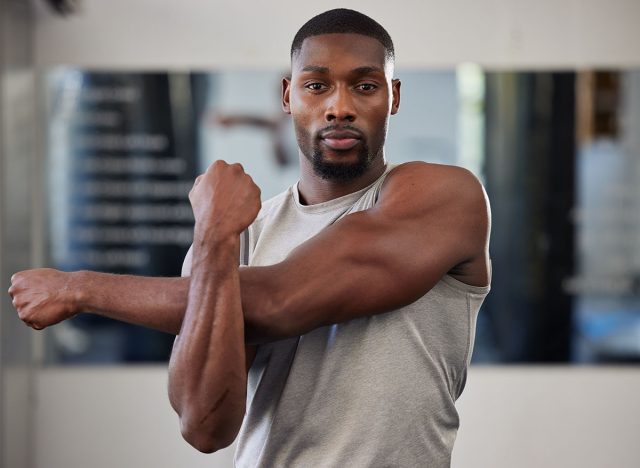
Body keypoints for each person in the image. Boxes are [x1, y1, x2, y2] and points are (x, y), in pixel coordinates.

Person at [8, 8, 491, 467]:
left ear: (394, 96)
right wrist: (215, 236)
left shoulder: (443, 196)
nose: (339, 107)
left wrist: (78, 289)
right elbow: (204, 427)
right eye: (316, 86)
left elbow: (282, 299)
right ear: (288, 96)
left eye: (365, 86)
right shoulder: (241, 232)